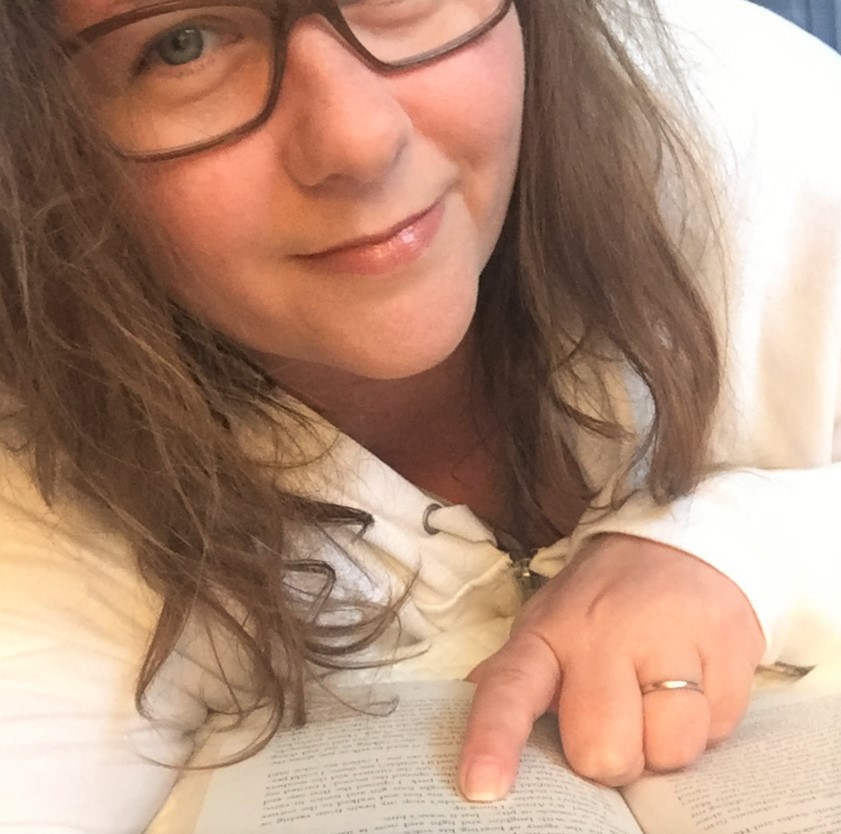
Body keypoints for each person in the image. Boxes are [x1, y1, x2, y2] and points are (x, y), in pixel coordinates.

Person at [0, 0, 840, 830]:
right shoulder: (39, 497)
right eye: (184, 45)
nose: (360, 141)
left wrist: (746, 550)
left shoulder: (745, 121)